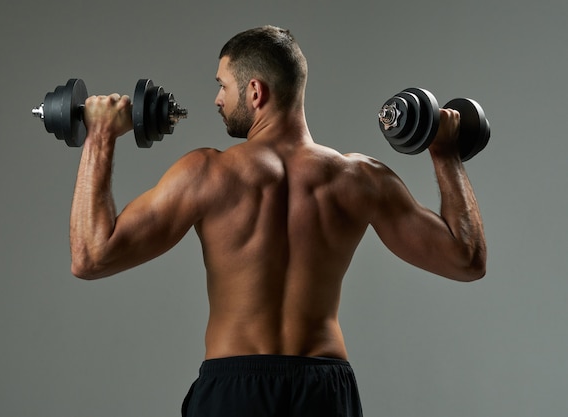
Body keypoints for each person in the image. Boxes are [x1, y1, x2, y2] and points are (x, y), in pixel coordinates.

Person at [69, 26, 486, 417]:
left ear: (255, 91)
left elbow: (91, 256)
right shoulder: (361, 179)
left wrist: (100, 138)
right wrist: (444, 152)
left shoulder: (206, 174)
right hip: (324, 391)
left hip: (235, 389)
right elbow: (466, 259)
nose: (217, 99)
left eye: (222, 85)